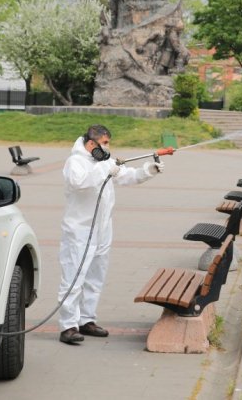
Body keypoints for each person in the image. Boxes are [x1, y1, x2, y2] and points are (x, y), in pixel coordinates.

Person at [58, 124, 164, 345]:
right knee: (74, 275)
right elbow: (80, 183)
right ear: (91, 144)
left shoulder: (104, 161)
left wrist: (148, 171)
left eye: (108, 143)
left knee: (96, 276)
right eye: (104, 143)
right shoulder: (74, 162)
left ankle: (87, 319)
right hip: (80, 229)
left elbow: (126, 176)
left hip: (103, 228)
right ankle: (68, 325)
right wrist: (106, 169)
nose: (107, 147)